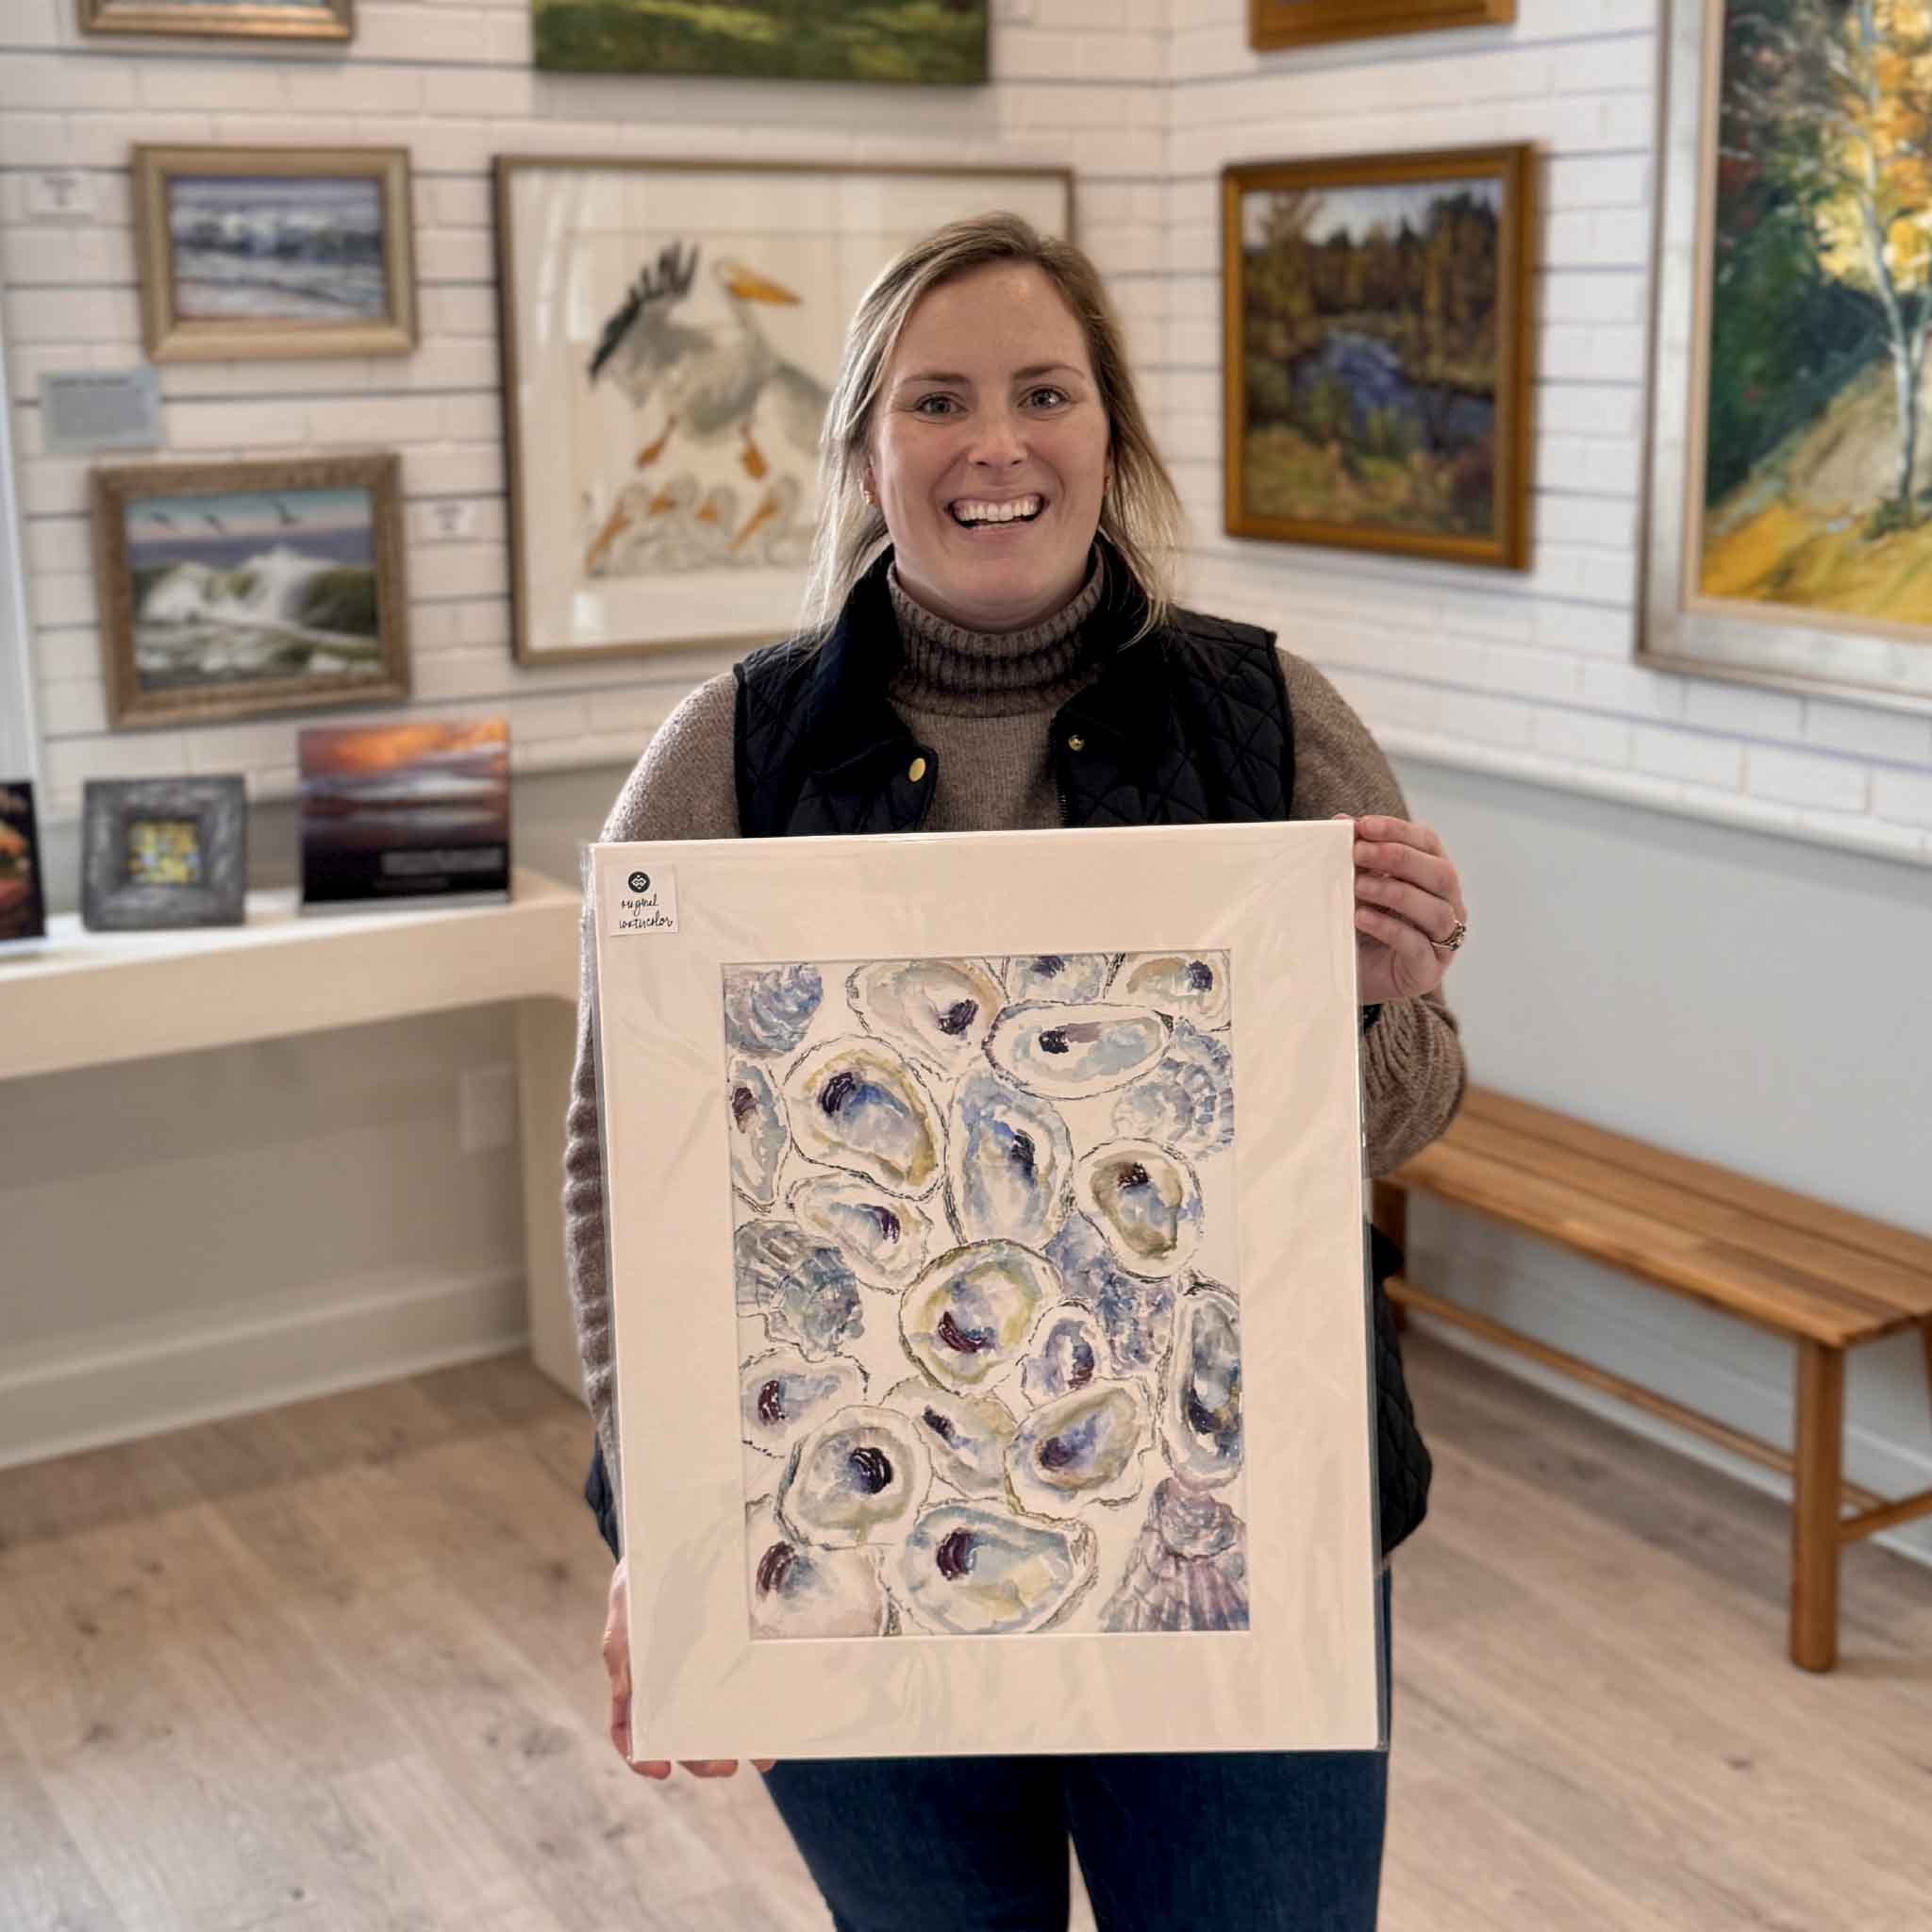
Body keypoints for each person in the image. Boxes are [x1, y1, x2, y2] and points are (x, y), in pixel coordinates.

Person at [564, 211, 1468, 1932]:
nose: (997, 445)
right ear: (864, 448)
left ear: (1110, 433)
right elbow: (625, 1165)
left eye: (1045, 393)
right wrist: (663, 1527)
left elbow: (1408, 1115)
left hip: (1233, 1537)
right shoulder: (732, 753)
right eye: (938, 401)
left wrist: (1368, 1004)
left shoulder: (1267, 721)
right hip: (854, 1544)